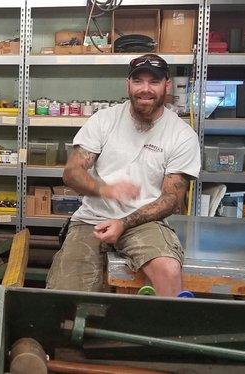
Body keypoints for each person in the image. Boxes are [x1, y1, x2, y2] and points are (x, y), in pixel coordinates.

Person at [46, 54, 200, 297]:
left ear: (167, 85)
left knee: (168, 269)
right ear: (128, 84)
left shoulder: (182, 135)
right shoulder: (103, 121)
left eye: (154, 82)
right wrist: (106, 190)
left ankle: (167, 331)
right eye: (138, 81)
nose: (145, 89)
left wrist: (124, 223)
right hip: (92, 220)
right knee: (64, 296)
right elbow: (72, 172)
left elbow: (172, 199)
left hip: (144, 221)